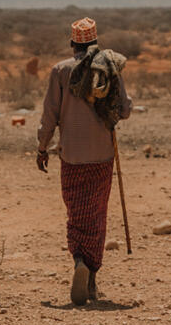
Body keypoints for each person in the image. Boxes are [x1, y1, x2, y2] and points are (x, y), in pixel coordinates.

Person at [36, 17, 131, 305]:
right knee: (97, 214)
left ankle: (79, 258)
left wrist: (42, 147)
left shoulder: (61, 71)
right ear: (95, 42)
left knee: (76, 213)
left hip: (71, 156)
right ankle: (90, 279)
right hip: (102, 155)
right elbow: (124, 110)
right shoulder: (109, 69)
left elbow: (49, 115)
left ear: (72, 43)